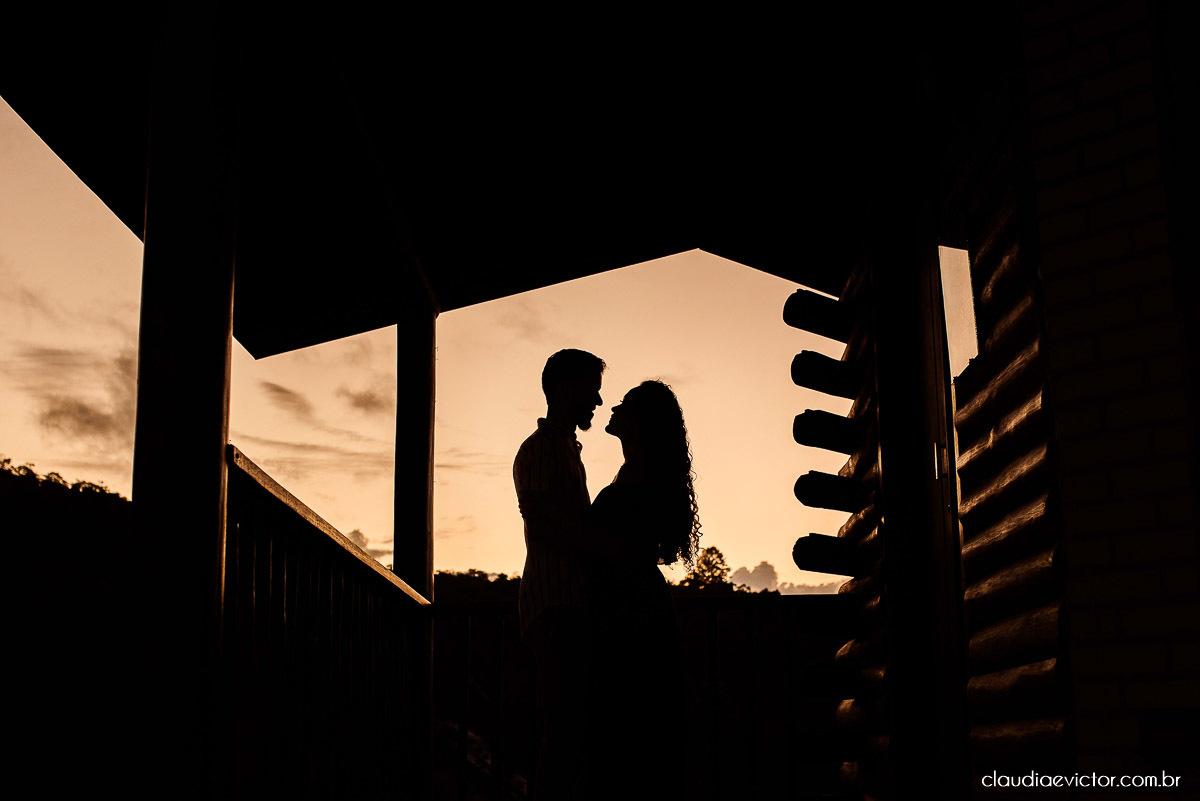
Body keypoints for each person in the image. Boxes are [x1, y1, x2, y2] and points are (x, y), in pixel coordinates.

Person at [582, 379, 701, 799]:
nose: (613, 409)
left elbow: (615, 549)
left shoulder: (638, 481)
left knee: (631, 732)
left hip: (630, 615)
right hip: (636, 608)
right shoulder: (641, 476)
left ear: (641, 422)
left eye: (625, 404)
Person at [513, 348, 606, 801]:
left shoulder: (565, 450)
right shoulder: (540, 450)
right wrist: (606, 548)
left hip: (567, 604)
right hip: (555, 605)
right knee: (564, 728)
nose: (598, 401)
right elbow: (546, 524)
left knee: (570, 728)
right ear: (565, 388)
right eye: (591, 389)